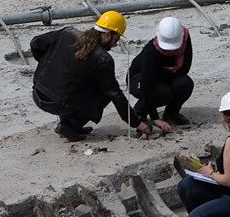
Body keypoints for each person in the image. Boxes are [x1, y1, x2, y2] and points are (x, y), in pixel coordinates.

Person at [30, 11, 138, 141]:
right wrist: (137, 123)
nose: (116, 43)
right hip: (55, 103)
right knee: (104, 91)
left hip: (38, 92)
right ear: (107, 34)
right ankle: (69, 125)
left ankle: (70, 123)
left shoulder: (67, 33)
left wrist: (45, 66)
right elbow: (115, 94)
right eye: (116, 39)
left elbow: (35, 43)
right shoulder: (102, 59)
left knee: (76, 82)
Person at [128, 16, 194, 133]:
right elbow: (146, 85)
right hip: (138, 78)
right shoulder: (152, 50)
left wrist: (166, 78)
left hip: (164, 76)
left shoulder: (185, 40)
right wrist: (155, 118)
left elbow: (185, 68)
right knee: (163, 93)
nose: (169, 51)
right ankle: (139, 113)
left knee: (185, 83)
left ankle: (171, 113)